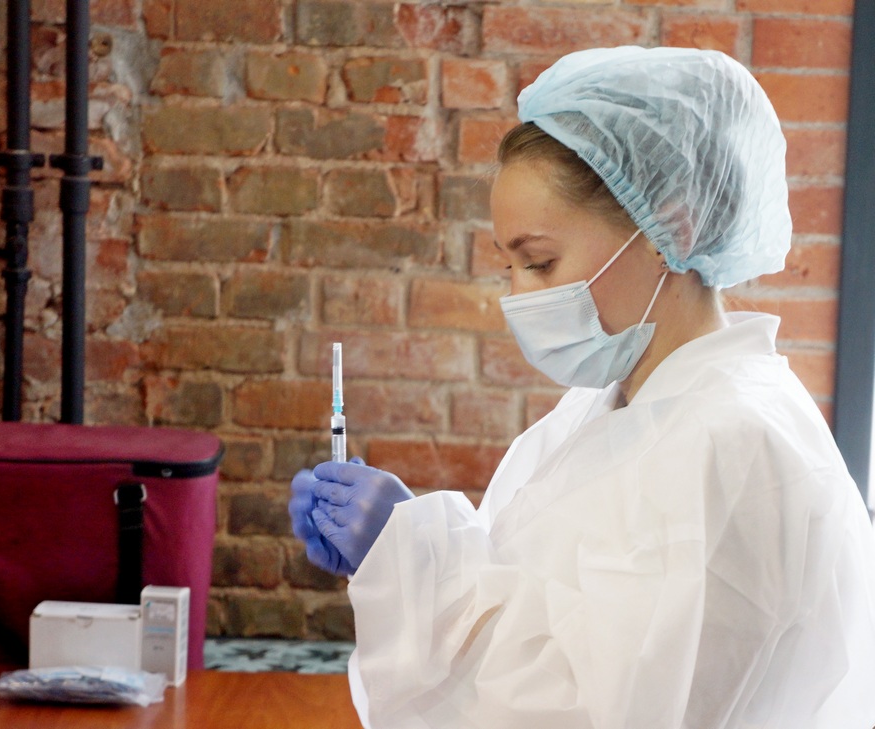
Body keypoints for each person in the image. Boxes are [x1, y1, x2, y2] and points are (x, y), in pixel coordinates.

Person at [289, 46, 875, 728]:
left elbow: (593, 711)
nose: (518, 297)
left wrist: (413, 563)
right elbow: (537, 600)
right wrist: (400, 547)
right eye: (509, 266)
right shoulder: (618, 407)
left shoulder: (733, 446)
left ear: (671, 229)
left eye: (540, 262)